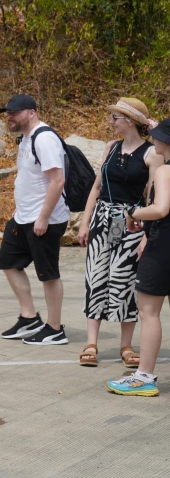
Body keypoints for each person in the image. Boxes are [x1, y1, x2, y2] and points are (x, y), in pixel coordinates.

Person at [77, 98, 162, 367]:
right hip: (103, 219)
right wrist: (84, 221)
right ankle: (92, 341)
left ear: (131, 122)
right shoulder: (110, 148)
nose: (111, 122)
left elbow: (153, 196)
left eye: (115, 117)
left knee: (124, 279)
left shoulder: (152, 153)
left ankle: (126, 344)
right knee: (95, 275)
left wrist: (147, 235)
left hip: (132, 221)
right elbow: (96, 188)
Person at [0, 94, 71, 346]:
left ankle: (54, 328)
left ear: (31, 112)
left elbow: (57, 181)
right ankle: (29, 317)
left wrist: (43, 217)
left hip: (44, 219)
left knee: (47, 274)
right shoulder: (26, 139)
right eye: (7, 113)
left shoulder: (45, 138)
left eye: (14, 112)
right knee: (8, 261)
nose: (10, 116)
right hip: (23, 217)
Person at [108, 118, 170, 396]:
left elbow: (160, 209)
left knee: (148, 311)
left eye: (156, 137)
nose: (152, 140)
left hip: (163, 246)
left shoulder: (165, 171)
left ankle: (143, 376)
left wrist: (133, 214)